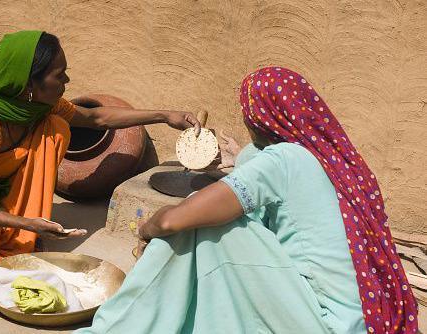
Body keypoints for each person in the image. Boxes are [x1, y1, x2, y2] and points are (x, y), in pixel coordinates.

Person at [76, 67, 417, 333]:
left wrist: (147, 230)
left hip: (319, 323)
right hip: (356, 322)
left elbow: (171, 220)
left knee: (198, 222)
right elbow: (268, 173)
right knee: (208, 214)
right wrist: (239, 160)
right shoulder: (321, 156)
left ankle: (121, 325)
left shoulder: (281, 160)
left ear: (259, 115)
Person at [0, 30, 201, 278]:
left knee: (56, 128)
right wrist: (25, 224)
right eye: (60, 75)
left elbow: (97, 118)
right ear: (29, 84)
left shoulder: (39, 107)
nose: (66, 82)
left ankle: (11, 236)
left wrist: (165, 115)